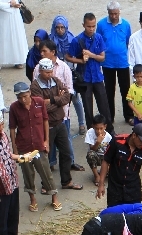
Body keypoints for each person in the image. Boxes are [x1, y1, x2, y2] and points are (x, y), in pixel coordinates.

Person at [13, 77, 66, 210]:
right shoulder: (14, 108)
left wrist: (46, 141)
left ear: (29, 93)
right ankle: (32, 199)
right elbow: (13, 129)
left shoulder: (39, 102)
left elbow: (45, 121)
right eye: (19, 97)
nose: (23, 100)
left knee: (46, 171)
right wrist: (15, 150)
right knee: (28, 174)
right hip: (24, 146)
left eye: (24, 96)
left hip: (38, 145)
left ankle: (54, 197)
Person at [36, 39, 83, 173]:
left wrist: (51, 100)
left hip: (63, 114)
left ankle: (70, 166)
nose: (42, 54)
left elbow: (69, 93)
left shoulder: (63, 68)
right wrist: (58, 99)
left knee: (65, 144)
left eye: (44, 51)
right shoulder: (36, 73)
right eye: (41, 51)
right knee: (47, 144)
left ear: (53, 52)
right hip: (46, 119)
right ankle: (50, 168)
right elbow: (39, 103)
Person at [97, 123, 142, 208]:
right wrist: (101, 184)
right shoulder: (117, 141)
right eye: (141, 140)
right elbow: (106, 161)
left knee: (133, 217)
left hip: (133, 190)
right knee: (114, 216)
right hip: (115, 189)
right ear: (134, 135)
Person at [65, 13, 112, 133]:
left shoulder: (99, 38)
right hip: (85, 78)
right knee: (88, 107)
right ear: (83, 25)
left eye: (93, 26)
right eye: (88, 26)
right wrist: (80, 60)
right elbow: (68, 57)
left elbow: (102, 58)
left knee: (104, 106)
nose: (91, 29)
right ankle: (92, 132)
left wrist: (91, 55)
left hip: (97, 76)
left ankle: (109, 130)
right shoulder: (77, 40)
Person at [50, 15, 87, 135]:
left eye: (62, 27)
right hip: (56, 73)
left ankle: (81, 123)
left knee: (75, 98)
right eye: (57, 27)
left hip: (70, 72)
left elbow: (76, 55)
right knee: (59, 99)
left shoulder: (72, 40)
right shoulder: (51, 41)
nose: (60, 30)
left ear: (66, 27)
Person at [98, 2, 132, 125]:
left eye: (116, 13)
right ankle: (109, 117)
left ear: (119, 12)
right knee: (109, 91)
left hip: (123, 62)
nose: (113, 16)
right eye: (111, 14)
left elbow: (128, 41)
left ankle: (128, 115)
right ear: (108, 13)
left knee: (126, 91)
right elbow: (99, 41)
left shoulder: (126, 24)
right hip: (107, 63)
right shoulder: (101, 24)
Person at [0, 114, 25, 235]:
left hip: (11, 179)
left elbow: (7, 154)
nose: (2, 127)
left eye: (2, 124)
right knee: (1, 217)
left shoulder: (3, 136)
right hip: (1, 185)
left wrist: (20, 157)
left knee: (13, 211)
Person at [85, 113, 112, 184]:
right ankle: (96, 176)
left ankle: (106, 171)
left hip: (105, 157)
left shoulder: (109, 137)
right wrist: (98, 142)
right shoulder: (90, 133)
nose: (99, 131)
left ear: (105, 127)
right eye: (96, 128)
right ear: (93, 126)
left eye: (101, 128)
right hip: (96, 155)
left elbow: (111, 152)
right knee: (90, 154)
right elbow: (92, 149)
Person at [1, 0, 27, 67]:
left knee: (16, 37)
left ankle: (18, 59)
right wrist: (9, 5)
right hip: (2, 14)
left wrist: (17, 3)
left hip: (15, 14)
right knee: (2, 38)